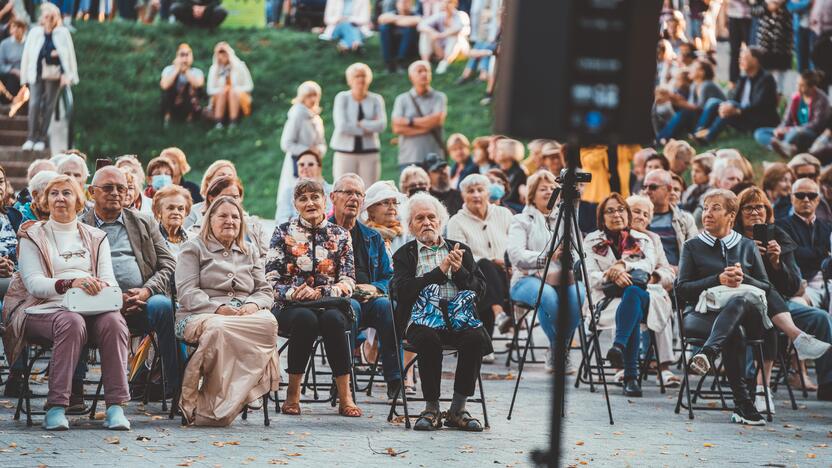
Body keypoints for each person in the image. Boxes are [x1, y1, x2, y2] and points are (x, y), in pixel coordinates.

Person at [678, 189, 828, 426]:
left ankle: (709, 353)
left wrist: (741, 279)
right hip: (701, 313)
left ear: (730, 215)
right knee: (734, 329)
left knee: (741, 301)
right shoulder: (692, 246)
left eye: (715, 208)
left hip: (743, 312)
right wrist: (718, 279)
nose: (707, 213)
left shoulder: (747, 245)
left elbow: (765, 286)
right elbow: (681, 290)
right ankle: (744, 405)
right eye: (705, 208)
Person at [8, 175, 130, 431]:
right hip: (42, 308)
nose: (60, 198)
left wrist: (99, 285)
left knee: (115, 323)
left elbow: (109, 280)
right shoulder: (33, 235)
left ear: (78, 201)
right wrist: (69, 283)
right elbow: (34, 284)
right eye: (54, 194)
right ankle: (56, 406)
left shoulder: (97, 236)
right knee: (71, 322)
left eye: (66, 193)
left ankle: (116, 407)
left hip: (90, 305)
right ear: (46, 200)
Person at [390, 192, 490, 431]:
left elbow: (481, 291)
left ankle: (458, 409)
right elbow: (401, 292)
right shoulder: (405, 254)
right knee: (427, 338)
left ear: (440, 221)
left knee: (475, 338)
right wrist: (438, 272)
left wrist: (459, 272)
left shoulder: (460, 250)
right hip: (420, 320)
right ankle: (431, 408)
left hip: (458, 320)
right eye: (419, 218)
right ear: (411, 226)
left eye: (431, 217)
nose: (427, 223)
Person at [174, 196, 278, 426]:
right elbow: (187, 292)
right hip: (200, 313)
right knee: (218, 328)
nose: (229, 220)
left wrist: (253, 305)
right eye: (223, 215)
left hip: (245, 314)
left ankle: (245, 390)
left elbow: (264, 291)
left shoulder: (249, 250)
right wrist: (218, 308)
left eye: (235, 216)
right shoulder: (192, 248)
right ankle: (209, 402)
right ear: (209, 219)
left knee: (269, 323)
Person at [266, 179, 362, 418]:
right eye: (303, 199)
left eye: (314, 197)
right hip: (291, 306)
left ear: (325, 199)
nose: (310, 203)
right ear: (295, 204)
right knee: (305, 320)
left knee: (333, 321)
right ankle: (293, 394)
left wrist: (321, 292)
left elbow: (349, 280)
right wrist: (295, 292)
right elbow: (271, 279)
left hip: (329, 303)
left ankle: (345, 396)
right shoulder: (283, 231)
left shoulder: (340, 235)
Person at [82, 167, 179, 400]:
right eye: (108, 188)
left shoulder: (143, 223)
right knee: (75, 316)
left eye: (121, 188)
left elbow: (169, 264)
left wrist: (147, 290)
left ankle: (175, 389)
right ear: (91, 192)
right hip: (97, 306)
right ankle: (74, 391)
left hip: (141, 302)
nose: (115, 193)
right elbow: (75, 273)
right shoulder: (80, 226)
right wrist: (114, 300)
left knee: (163, 306)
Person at [734, 187, 832, 408]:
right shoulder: (734, 238)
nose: (754, 212)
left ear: (768, 211)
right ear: (739, 213)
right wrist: (752, 256)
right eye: (748, 208)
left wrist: (776, 262)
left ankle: (828, 384)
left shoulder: (778, 236)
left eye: (759, 207)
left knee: (821, 318)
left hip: (782, 304)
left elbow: (794, 285)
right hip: (744, 303)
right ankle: (756, 379)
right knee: (762, 305)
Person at [328, 174, 403, 401]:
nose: (353, 198)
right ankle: (342, 379)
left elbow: (389, 277)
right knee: (349, 308)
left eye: (358, 194)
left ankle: (395, 380)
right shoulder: (322, 234)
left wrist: (376, 288)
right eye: (347, 192)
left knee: (388, 307)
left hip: (369, 298)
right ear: (333, 197)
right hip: (335, 300)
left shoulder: (372, 237)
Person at [584, 193, 665, 396]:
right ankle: (631, 377)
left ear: (627, 215)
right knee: (632, 301)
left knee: (633, 293)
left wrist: (622, 265)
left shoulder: (643, 239)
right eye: (609, 211)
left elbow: (647, 266)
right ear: (601, 217)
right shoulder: (591, 240)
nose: (616, 214)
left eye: (621, 209)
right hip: (607, 300)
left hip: (647, 298)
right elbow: (589, 275)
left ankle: (618, 347)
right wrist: (611, 275)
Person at [506, 170, 583, 372]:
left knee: (579, 294)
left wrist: (574, 206)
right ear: (532, 193)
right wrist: (548, 256)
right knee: (546, 296)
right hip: (526, 278)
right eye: (543, 188)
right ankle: (558, 351)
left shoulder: (564, 217)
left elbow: (577, 247)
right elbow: (516, 255)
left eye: (552, 188)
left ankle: (560, 348)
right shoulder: (522, 220)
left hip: (561, 278)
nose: (549, 192)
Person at [447, 173, 513, 339]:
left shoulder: (504, 214)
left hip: (509, 275)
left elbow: (515, 245)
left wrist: (510, 264)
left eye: (480, 190)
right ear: (463, 195)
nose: (476, 195)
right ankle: (498, 313)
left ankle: (485, 342)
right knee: (484, 266)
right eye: (471, 191)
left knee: (487, 276)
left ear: (487, 193)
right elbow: (461, 256)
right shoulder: (456, 221)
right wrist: (493, 261)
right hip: (472, 278)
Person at [626, 194, 680, 386]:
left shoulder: (654, 239)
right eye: (636, 211)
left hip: (650, 289)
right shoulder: (617, 235)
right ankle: (621, 368)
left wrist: (656, 277)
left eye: (646, 214)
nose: (641, 217)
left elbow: (667, 270)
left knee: (662, 300)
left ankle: (663, 369)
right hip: (624, 289)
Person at [19, 3, 77, 152]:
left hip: (54, 75)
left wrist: (68, 74)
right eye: (46, 16)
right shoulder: (35, 32)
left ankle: (42, 138)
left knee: (49, 106)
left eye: (51, 16)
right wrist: (24, 74)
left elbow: (68, 56)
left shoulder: (62, 33)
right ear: (42, 17)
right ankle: (31, 137)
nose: (48, 19)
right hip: (37, 73)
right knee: (34, 104)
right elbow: (28, 54)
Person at [693, 47, 780, 143]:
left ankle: (707, 138)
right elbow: (733, 99)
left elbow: (759, 105)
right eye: (740, 57)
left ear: (755, 61)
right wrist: (726, 107)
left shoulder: (766, 78)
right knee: (713, 102)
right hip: (742, 115)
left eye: (744, 58)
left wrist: (737, 110)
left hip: (759, 119)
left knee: (729, 105)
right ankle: (698, 132)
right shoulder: (743, 79)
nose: (740, 60)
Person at [777, 178, 832, 309]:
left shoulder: (828, 227)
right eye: (800, 195)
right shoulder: (781, 226)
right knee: (796, 305)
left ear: (818, 199)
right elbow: (794, 255)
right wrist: (823, 252)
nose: (806, 199)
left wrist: (807, 253)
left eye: (812, 195)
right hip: (804, 286)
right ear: (792, 198)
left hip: (829, 282)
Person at [186, 176, 268, 261]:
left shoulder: (255, 226)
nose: (231, 201)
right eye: (225, 197)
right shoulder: (196, 231)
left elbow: (267, 258)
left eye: (235, 197)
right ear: (211, 199)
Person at [277, 80, 326, 219]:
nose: (313, 99)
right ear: (302, 97)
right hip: (297, 164)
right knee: (296, 194)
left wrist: (318, 150)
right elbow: (286, 143)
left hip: (314, 164)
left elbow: (322, 143)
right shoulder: (297, 115)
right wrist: (307, 150)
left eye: (315, 95)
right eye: (310, 95)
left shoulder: (316, 118)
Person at [331, 63, 387, 185]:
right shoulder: (342, 98)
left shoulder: (376, 99)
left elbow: (382, 125)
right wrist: (368, 128)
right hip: (344, 152)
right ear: (349, 80)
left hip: (369, 152)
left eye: (363, 75)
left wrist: (363, 123)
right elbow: (342, 126)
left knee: (369, 190)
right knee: (343, 188)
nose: (361, 79)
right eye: (357, 76)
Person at [754, 70, 831, 157]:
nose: (798, 88)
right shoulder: (795, 97)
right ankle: (784, 146)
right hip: (790, 130)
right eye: (797, 84)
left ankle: (781, 146)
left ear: (812, 87)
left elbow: (817, 124)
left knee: (797, 132)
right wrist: (780, 129)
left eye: (802, 86)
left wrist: (790, 129)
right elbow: (787, 118)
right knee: (760, 132)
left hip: (808, 133)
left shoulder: (821, 100)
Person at [391, 60, 447, 170]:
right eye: (419, 71)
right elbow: (397, 128)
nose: (424, 74)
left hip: (435, 156)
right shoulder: (401, 99)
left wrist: (409, 122)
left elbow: (437, 120)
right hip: (409, 157)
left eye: (427, 71)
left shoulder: (439, 97)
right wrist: (425, 126)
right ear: (411, 76)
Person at [656, 59, 726, 143]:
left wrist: (674, 100)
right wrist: (674, 99)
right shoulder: (694, 85)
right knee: (683, 113)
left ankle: (662, 139)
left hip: (714, 119)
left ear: (702, 72)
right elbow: (690, 105)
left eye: (694, 68)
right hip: (702, 118)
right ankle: (662, 139)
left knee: (684, 113)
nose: (690, 70)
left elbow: (699, 108)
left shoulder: (707, 85)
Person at [642, 169, 698, 268]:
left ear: (668, 189)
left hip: (678, 277)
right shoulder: (637, 219)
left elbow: (695, 254)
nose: (647, 191)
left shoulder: (685, 219)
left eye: (653, 187)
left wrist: (679, 271)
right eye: (645, 187)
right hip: (648, 274)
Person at [275, 150, 332, 225]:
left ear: (319, 167)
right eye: (301, 164)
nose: (305, 167)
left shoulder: (331, 190)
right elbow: (281, 219)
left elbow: (331, 216)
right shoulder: (288, 192)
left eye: (310, 164)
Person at [206, 41, 253, 129]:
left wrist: (233, 89)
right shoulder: (214, 69)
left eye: (225, 51)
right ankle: (218, 123)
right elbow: (209, 90)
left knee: (232, 92)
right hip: (221, 98)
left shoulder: (240, 66)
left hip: (238, 97)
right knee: (223, 92)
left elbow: (249, 86)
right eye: (220, 52)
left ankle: (233, 122)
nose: (223, 54)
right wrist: (224, 89)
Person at [418, 0, 470, 74]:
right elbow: (421, 25)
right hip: (440, 47)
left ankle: (444, 62)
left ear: (455, 4)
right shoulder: (440, 15)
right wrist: (432, 32)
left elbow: (460, 29)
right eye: (444, 2)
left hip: (458, 49)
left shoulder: (461, 15)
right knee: (425, 34)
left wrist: (441, 35)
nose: (446, 5)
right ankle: (425, 62)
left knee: (455, 36)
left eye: (449, 2)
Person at [160, 43, 204, 126]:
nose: (184, 58)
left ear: (192, 57)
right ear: (177, 57)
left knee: (194, 88)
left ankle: (189, 118)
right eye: (182, 55)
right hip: (172, 100)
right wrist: (177, 69)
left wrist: (186, 70)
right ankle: (167, 118)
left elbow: (198, 85)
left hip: (188, 102)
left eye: (187, 55)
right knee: (167, 88)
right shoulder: (168, 69)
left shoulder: (197, 72)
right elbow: (164, 85)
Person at [456, 0, 499, 84]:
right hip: (489, 42)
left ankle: (473, 74)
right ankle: (478, 74)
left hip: (496, 44)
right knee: (481, 45)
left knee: (485, 48)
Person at [185, 159, 236, 229]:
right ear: (208, 181)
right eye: (221, 175)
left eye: (230, 176)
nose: (226, 179)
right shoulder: (193, 212)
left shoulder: (242, 215)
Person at [362, 180, 408, 257]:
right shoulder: (363, 237)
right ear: (371, 210)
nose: (392, 207)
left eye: (394, 202)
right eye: (386, 202)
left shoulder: (406, 235)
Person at [756, 0, 792, 94]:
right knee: (764, 80)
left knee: (780, 83)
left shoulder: (787, 5)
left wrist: (781, 3)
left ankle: (779, 101)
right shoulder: (762, 3)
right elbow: (753, 10)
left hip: (783, 44)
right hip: (765, 45)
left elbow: (795, 8)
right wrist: (766, 7)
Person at [378, 0, 422, 74]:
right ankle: (388, 62)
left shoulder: (415, 14)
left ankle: (401, 61)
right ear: (397, 4)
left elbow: (417, 20)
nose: (404, 4)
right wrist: (403, 19)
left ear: (411, 3)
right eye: (402, 2)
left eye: (406, 2)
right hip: (393, 45)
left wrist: (395, 20)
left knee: (409, 29)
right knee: (384, 28)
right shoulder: (392, 13)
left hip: (411, 47)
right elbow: (381, 19)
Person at [152, 184, 192, 256]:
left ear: (186, 212)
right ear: (158, 212)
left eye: (180, 209)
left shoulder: (194, 240)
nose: (176, 212)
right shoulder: (151, 240)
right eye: (170, 208)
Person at [494, 138, 526, 213]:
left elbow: (510, 196)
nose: (496, 152)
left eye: (499, 150)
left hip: (511, 206)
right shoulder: (495, 169)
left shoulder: (519, 171)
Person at [0, 18, 25, 105]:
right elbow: (1, 66)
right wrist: (13, 70)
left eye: (19, 27)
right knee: (12, 81)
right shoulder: (4, 44)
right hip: (10, 75)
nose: (16, 30)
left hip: (26, 74)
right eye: (14, 27)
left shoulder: (28, 43)